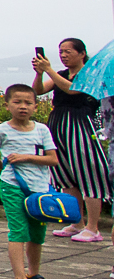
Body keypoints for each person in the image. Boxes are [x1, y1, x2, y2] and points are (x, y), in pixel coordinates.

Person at [33, 39, 112, 244]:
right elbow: (39, 90)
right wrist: (40, 73)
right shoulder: (60, 74)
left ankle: (93, 227)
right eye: (61, 52)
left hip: (80, 125)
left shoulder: (90, 74)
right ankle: (76, 222)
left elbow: (73, 89)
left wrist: (48, 69)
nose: (63, 55)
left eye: (68, 51)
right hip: (58, 124)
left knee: (89, 174)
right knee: (65, 175)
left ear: (82, 53)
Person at [0, 84, 61, 279]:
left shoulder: (42, 130)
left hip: (39, 189)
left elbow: (53, 159)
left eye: (28, 103)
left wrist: (26, 158)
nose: (23, 107)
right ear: (7, 105)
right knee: (19, 230)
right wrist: (8, 170)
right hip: (13, 187)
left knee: (38, 233)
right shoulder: (1, 131)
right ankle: (19, 278)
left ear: (36, 106)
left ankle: (33, 274)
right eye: (17, 102)